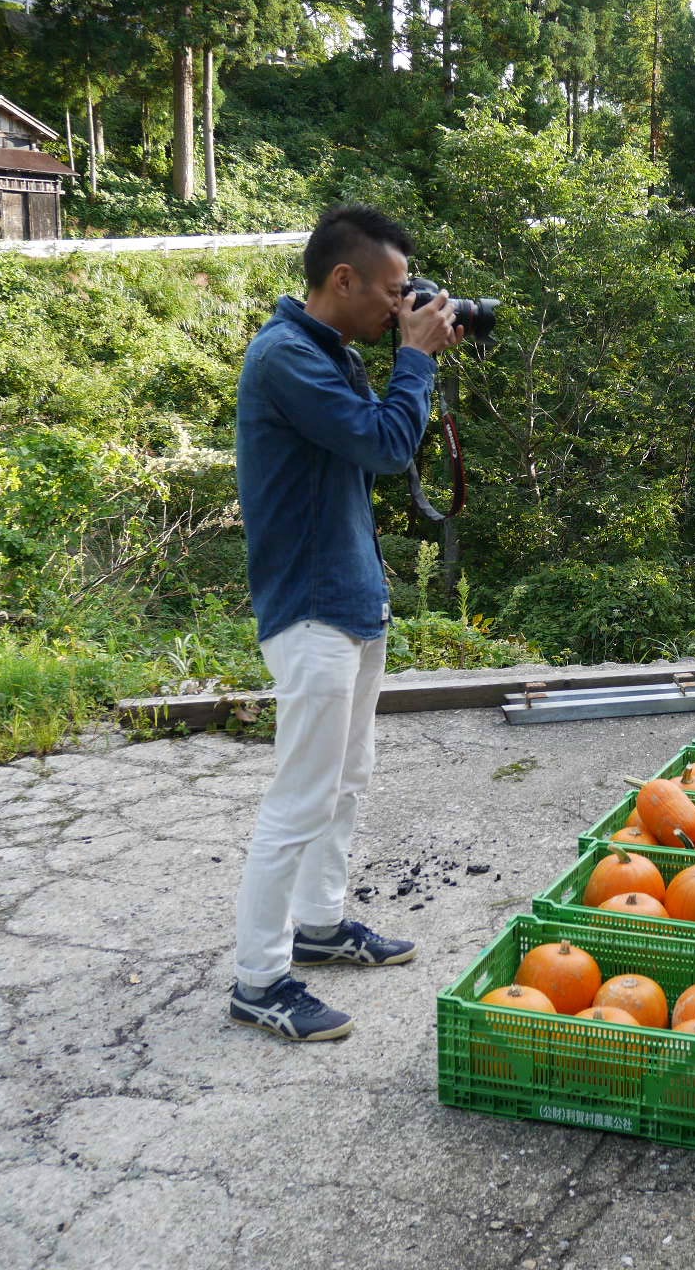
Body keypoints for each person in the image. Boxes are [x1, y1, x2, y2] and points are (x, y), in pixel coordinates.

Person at [228, 203, 465, 1040]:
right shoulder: (286, 356)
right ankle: (259, 978)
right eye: (393, 292)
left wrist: (411, 361)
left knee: (347, 780)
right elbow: (387, 446)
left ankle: (320, 925)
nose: (400, 307)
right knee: (300, 798)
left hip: (355, 602)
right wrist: (416, 362)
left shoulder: (330, 352)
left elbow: (381, 438)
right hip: (312, 612)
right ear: (342, 279)